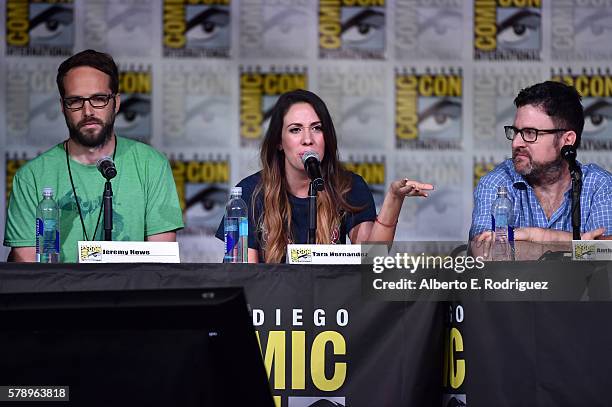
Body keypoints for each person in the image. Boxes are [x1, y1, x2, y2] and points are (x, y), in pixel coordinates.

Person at [4, 49, 184, 262]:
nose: (88, 111)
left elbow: (161, 264)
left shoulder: (152, 165)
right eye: (76, 101)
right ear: (63, 107)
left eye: (99, 99)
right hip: (60, 295)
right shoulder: (31, 176)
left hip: (130, 294)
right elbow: (30, 274)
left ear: (116, 103)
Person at [216, 89, 433, 263]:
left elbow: (372, 261)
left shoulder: (349, 186)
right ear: (279, 143)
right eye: (295, 130)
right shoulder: (247, 193)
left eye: (317, 128)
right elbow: (242, 277)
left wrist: (394, 199)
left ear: (326, 137)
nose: (307, 139)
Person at [470, 81, 612, 251]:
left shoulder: (599, 184)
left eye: (530, 133)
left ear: (567, 140)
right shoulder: (496, 183)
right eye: (515, 132)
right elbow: (483, 254)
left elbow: (605, 252)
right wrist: (579, 245)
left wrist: (532, 235)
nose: (516, 142)